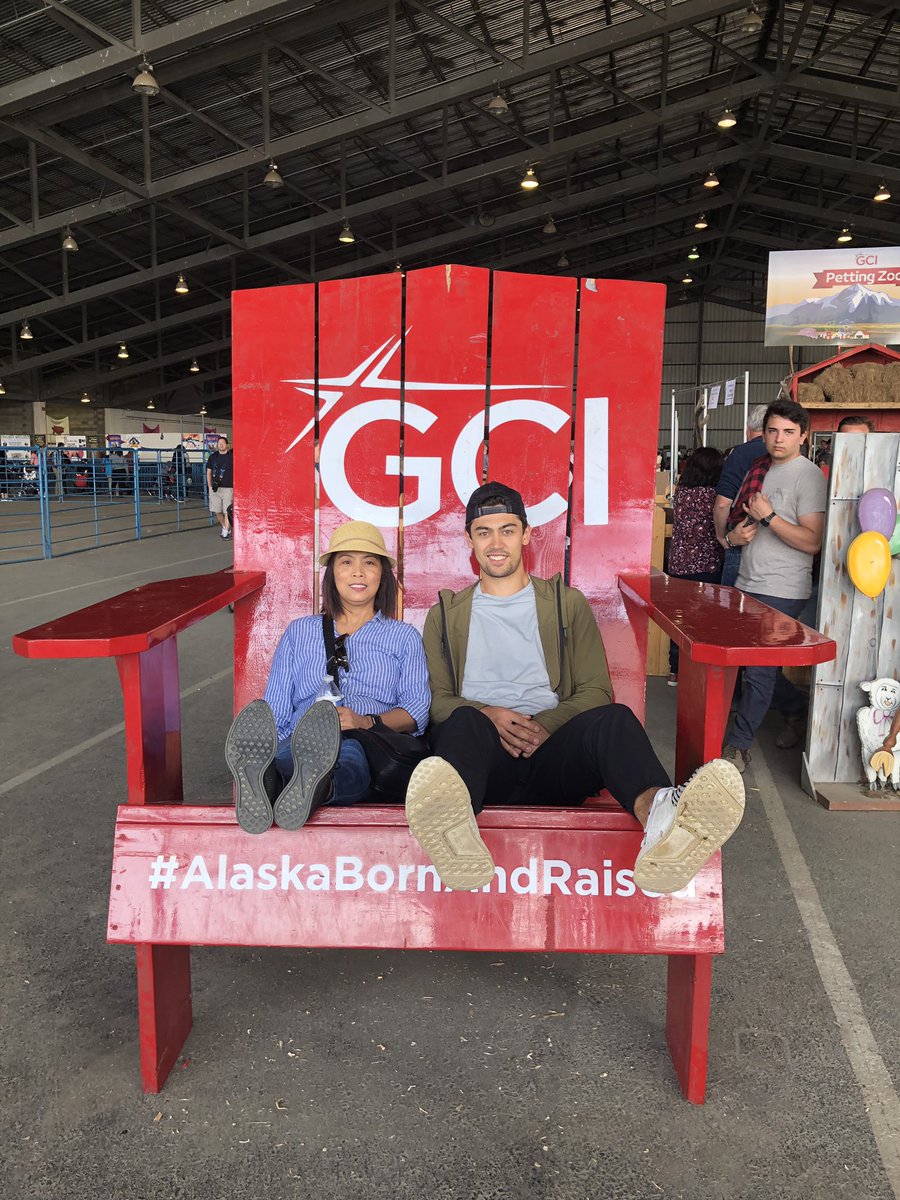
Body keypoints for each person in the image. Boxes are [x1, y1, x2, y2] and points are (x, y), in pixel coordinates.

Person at [403, 482, 745, 895]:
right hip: (481, 761)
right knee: (461, 722)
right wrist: (489, 715)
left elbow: (596, 691)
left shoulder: (566, 604)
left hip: (553, 757)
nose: (496, 543)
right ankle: (455, 840)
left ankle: (661, 822)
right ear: (469, 540)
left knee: (614, 720)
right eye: (484, 532)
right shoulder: (446, 614)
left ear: (526, 535)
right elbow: (436, 702)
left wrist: (546, 725)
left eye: (507, 530)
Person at [225, 521, 430, 834]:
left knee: (351, 761)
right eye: (346, 562)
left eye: (369, 563)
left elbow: (417, 712)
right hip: (299, 738)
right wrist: (273, 742)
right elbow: (277, 709)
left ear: (382, 576)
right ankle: (268, 779)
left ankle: (303, 786)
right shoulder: (299, 632)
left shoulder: (403, 637)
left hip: (362, 738)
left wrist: (365, 721)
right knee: (286, 754)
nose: (358, 572)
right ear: (332, 573)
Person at [721, 400, 827, 772]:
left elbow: (813, 541)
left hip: (784, 587)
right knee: (754, 664)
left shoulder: (808, 475)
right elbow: (734, 526)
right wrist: (733, 537)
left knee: (759, 668)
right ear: (762, 433)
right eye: (772, 430)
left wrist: (769, 518)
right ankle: (796, 709)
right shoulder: (758, 469)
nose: (778, 439)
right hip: (748, 580)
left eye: (788, 432)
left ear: (803, 436)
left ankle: (738, 747)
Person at [665, 447, 725, 684]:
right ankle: (698, 671)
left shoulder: (682, 492)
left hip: (679, 564)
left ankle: (675, 670)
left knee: (679, 619)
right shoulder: (714, 496)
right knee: (704, 620)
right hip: (706, 565)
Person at [713, 404, 769, 586]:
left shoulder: (740, 453)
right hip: (777, 542)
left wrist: (723, 536)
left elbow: (722, 503)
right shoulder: (788, 456)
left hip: (742, 537)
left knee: (732, 605)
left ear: (748, 428)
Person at [206, 435, 234, 538]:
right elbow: (208, 472)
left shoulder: (232, 457)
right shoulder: (213, 457)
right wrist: (209, 486)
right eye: (219, 443)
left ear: (227, 445)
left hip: (228, 488)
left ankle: (226, 531)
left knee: (227, 510)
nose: (221, 445)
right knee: (217, 511)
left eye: (223, 443)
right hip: (215, 489)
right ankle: (224, 526)